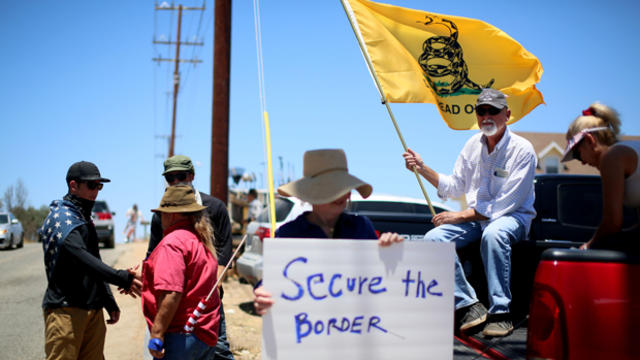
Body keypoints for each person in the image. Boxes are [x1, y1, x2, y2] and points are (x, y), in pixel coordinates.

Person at [402, 88, 537, 337]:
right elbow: (453, 186)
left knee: (494, 233)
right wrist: (422, 168)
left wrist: (460, 215)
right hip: (477, 219)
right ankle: (469, 305)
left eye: (493, 111)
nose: (486, 116)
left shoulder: (523, 150)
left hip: (512, 217)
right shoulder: (472, 145)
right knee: (433, 239)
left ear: (507, 114)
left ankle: (501, 313)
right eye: (481, 111)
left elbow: (504, 205)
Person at [253, 149, 402, 315]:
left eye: (343, 187)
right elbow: (271, 283)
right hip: (307, 332)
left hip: (356, 328)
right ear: (310, 194)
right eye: (331, 189)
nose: (341, 194)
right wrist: (262, 295)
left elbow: (381, 278)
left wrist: (391, 253)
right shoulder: (288, 233)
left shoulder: (361, 227)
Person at [40, 161, 142, 359]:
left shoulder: (84, 218)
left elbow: (95, 262)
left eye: (99, 186)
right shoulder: (62, 219)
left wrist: (109, 302)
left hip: (93, 313)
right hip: (66, 313)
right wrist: (122, 278)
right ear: (73, 185)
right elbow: (83, 258)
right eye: (91, 185)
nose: (96, 191)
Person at [147, 154, 235, 360]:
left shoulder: (215, 208)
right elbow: (152, 256)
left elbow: (224, 252)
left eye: (181, 176)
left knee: (220, 350)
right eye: (170, 178)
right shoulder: (160, 217)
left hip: (207, 302)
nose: (176, 182)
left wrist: (212, 286)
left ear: (192, 176)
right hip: (178, 314)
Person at [142, 185, 221, 359]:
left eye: (161, 213)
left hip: (181, 335)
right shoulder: (199, 240)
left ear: (172, 214)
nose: (160, 218)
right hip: (204, 334)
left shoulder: (173, 243)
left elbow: (172, 292)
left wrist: (157, 333)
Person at [561, 103, 640, 252]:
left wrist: (587, 247)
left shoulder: (612, 157)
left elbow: (612, 222)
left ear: (590, 140)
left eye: (578, 155)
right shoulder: (628, 149)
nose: (583, 162)